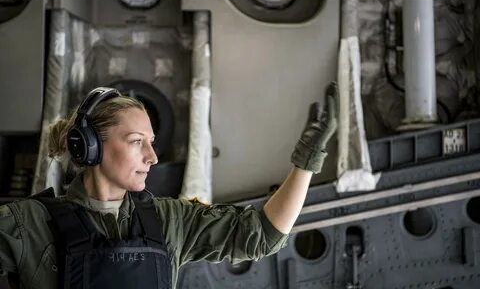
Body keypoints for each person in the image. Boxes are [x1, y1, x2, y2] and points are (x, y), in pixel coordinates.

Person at [0, 83, 337, 289]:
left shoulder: (168, 220)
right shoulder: (24, 224)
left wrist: (305, 164)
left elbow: (262, 235)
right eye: (136, 141)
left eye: (151, 142)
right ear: (89, 145)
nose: (152, 157)